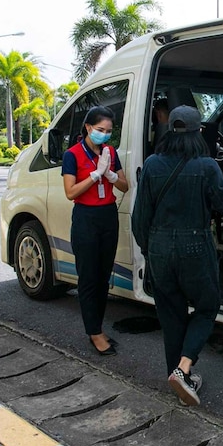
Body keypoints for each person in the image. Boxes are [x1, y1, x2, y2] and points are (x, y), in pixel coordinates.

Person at [131, 105, 223, 406]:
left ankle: (178, 375)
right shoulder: (207, 166)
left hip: (159, 247)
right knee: (207, 306)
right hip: (195, 247)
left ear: (169, 131)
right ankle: (184, 367)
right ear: (200, 131)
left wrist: (151, 251)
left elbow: (138, 219)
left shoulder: (152, 165)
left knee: (171, 315)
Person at [62, 106, 129, 356]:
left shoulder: (111, 152)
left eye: (109, 131)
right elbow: (70, 192)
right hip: (86, 217)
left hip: (108, 215)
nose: (104, 135)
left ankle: (98, 327)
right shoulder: (73, 155)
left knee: (103, 276)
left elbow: (125, 186)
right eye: (100, 130)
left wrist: (110, 175)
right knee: (89, 277)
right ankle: (94, 332)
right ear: (88, 127)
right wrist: (95, 175)